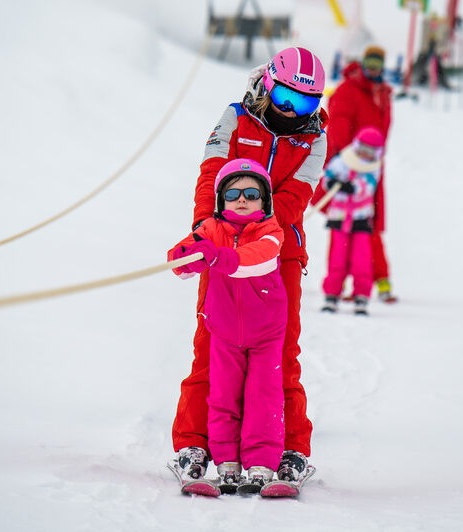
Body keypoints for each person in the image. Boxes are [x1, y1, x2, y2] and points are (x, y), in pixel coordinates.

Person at [171, 46, 328, 485]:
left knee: (279, 352)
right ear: (268, 85)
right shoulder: (235, 117)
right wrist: (207, 231)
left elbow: (298, 196)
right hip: (221, 243)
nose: (291, 111)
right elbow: (212, 172)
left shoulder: (314, 136)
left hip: (281, 252)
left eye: (305, 104)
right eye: (285, 98)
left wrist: (259, 239)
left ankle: (291, 448)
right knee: (212, 342)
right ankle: (193, 443)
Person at [168, 159, 288, 488]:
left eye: (252, 193)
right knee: (222, 396)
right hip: (223, 330)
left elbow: (255, 260)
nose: (242, 199)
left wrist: (219, 257)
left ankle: (261, 464)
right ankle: (227, 463)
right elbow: (182, 256)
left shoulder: (271, 232)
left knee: (263, 395)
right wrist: (186, 257)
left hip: (266, 331)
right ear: (222, 199)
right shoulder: (211, 229)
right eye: (233, 193)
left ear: (265, 201)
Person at [313, 44, 397, 303]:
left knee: (367, 224)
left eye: (378, 65)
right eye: (369, 64)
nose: (373, 69)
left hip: (372, 166)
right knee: (347, 228)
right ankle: (347, 282)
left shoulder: (382, 92)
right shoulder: (348, 90)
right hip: (350, 166)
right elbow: (338, 124)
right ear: (362, 64)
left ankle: (372, 280)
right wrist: (342, 163)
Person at [319, 126, 385, 316]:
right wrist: (331, 182)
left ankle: (361, 295)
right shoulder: (342, 160)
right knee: (337, 258)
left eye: (371, 151)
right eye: (363, 148)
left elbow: (368, 186)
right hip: (339, 218)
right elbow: (329, 175)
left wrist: (352, 187)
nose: (366, 154)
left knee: (361, 260)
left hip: (360, 220)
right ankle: (332, 294)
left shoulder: (373, 167)